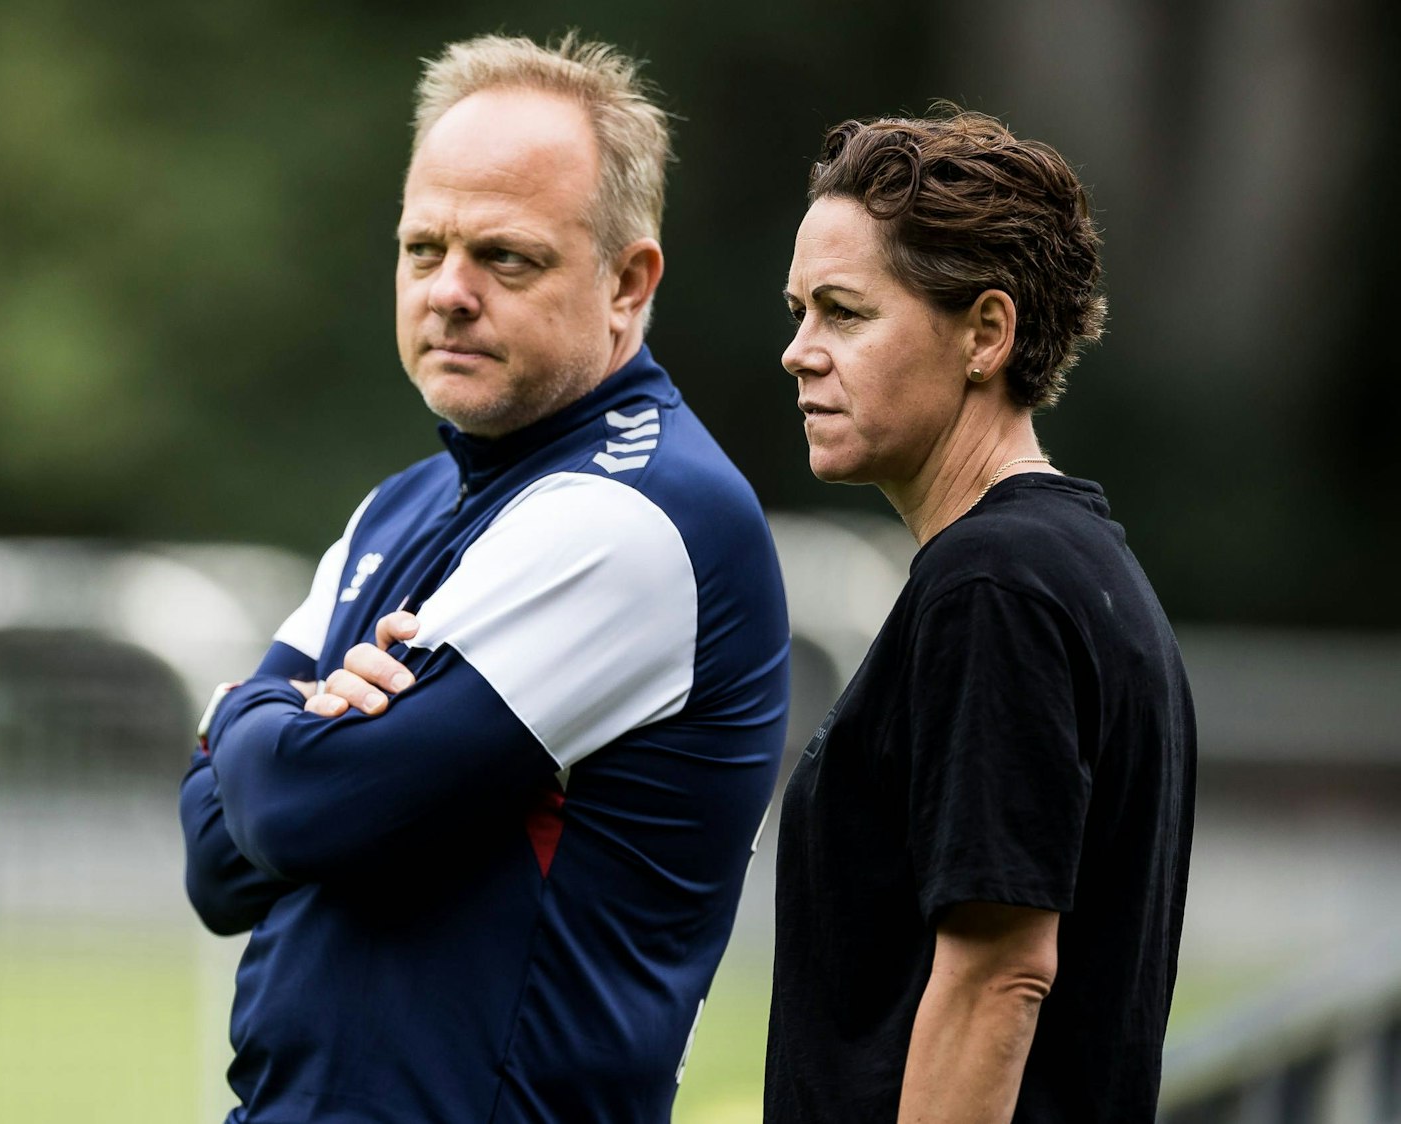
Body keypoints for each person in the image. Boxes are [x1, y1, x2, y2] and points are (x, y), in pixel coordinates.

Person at [178, 33, 791, 1123]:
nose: (449, 291)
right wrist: (288, 735)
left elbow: (297, 809)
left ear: (627, 280)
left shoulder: (636, 513)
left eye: (505, 257)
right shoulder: (403, 502)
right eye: (423, 249)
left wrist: (245, 713)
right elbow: (215, 867)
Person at [765, 107, 1196, 1122]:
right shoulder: (1061, 563)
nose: (797, 350)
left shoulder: (994, 583)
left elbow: (998, 974)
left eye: (843, 311)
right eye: (797, 310)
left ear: (985, 334)